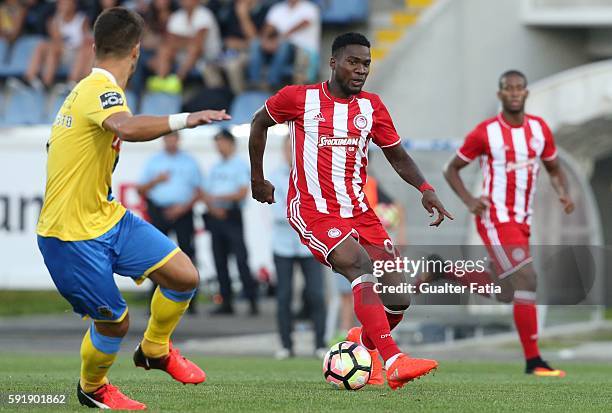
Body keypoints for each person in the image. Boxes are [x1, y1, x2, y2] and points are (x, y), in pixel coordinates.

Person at [36, 7, 230, 410]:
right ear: (137, 52)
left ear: (93, 46)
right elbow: (125, 127)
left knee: (182, 276)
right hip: (69, 234)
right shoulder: (99, 90)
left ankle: (155, 349)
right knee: (114, 321)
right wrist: (186, 119)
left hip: (105, 216)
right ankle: (92, 388)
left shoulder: (89, 91)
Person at [249, 32, 453, 390]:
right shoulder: (299, 98)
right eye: (353, 62)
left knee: (399, 297)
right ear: (333, 62)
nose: (360, 70)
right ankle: (392, 359)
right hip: (313, 210)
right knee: (359, 265)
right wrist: (258, 178)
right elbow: (258, 123)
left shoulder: (372, 107)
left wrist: (426, 189)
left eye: (366, 64)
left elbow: (397, 155)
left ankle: (361, 343)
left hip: (360, 212)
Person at [443, 69, 575, 377]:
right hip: (494, 216)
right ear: (500, 94)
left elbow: (554, 169)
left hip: (522, 220)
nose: (514, 92)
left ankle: (445, 271)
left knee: (508, 291)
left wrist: (563, 193)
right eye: (508, 88)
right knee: (527, 280)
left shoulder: (540, 130)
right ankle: (534, 361)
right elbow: (452, 169)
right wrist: (469, 201)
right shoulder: (485, 132)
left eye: (519, 88)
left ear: (526, 94)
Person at [270, 137, 326, 359]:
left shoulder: (313, 174)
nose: (291, 153)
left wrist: (297, 212)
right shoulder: (274, 176)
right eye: (288, 149)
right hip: (283, 245)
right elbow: (278, 212)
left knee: (316, 294)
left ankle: (320, 344)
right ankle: (286, 345)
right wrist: (301, 213)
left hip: (310, 245)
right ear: (284, 151)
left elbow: (319, 208)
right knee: (283, 296)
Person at [137, 132, 203, 314]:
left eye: (174, 137)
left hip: (183, 212)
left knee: (188, 255)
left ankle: (191, 301)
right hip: (159, 211)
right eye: (168, 138)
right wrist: (156, 180)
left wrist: (181, 208)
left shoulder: (189, 161)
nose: (171, 141)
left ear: (178, 140)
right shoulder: (154, 161)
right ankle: (153, 301)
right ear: (164, 139)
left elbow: (199, 191)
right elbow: (141, 189)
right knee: (156, 257)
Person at [203, 129, 259, 315]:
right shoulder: (215, 167)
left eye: (221, 142)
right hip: (216, 216)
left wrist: (218, 199)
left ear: (230, 143)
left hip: (232, 215)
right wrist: (214, 208)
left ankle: (252, 300)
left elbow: (242, 192)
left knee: (241, 258)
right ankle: (226, 301)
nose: (219, 147)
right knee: (220, 260)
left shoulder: (239, 165)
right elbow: (206, 195)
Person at [147, 0, 222, 93]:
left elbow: (199, 42)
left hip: (208, 56)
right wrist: (186, 41)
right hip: (184, 53)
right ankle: (161, 80)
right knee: (165, 48)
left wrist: (180, 41)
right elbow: (169, 40)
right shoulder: (176, 16)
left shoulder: (205, 14)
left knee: (194, 48)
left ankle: (178, 80)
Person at [248, 0, 320, 89]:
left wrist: (279, 40)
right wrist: (265, 41)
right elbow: (269, 27)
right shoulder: (277, 8)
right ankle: (255, 82)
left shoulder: (310, 8)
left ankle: (273, 83)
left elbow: (302, 24)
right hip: (277, 44)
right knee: (256, 43)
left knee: (284, 45)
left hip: (300, 49)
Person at [23, 0, 93, 90]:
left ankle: (71, 82)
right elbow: (56, 40)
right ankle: (31, 78)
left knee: (81, 49)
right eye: (61, 3)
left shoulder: (82, 19)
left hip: (76, 54)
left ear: (74, 5)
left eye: (66, 3)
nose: (63, 5)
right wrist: (58, 20)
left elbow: (86, 39)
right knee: (42, 45)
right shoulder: (54, 20)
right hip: (60, 53)